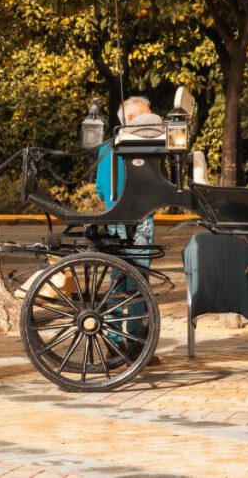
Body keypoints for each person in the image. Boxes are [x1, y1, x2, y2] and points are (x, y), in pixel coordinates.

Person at [96, 96, 159, 347]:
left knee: (117, 283)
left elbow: (100, 189)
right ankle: (134, 342)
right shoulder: (144, 147)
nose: (152, 115)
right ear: (132, 119)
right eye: (147, 113)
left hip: (112, 220)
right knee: (138, 286)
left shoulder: (105, 148)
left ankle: (113, 341)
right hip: (140, 221)